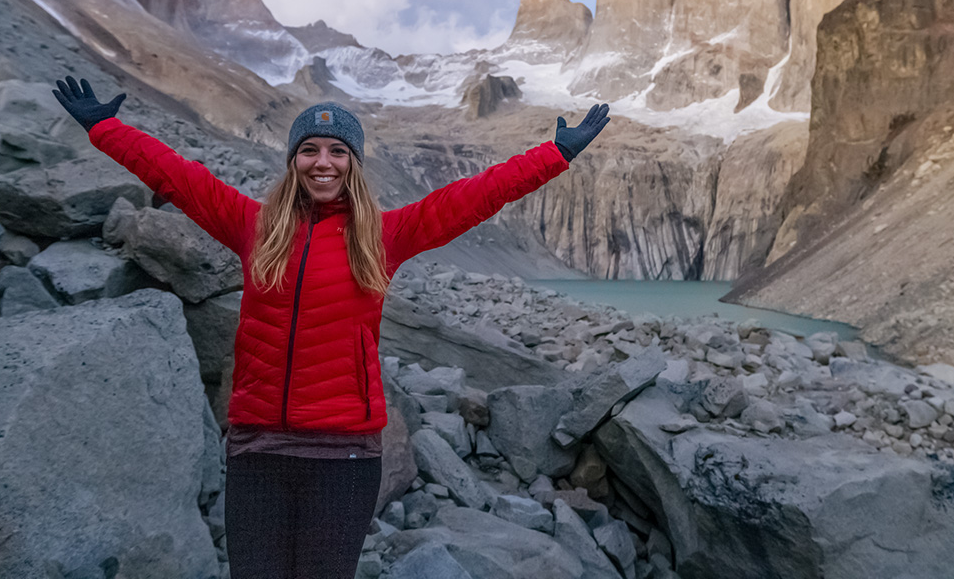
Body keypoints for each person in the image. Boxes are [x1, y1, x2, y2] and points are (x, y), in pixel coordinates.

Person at [52, 76, 609, 579]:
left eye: (338, 151)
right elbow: (177, 176)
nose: (324, 162)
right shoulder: (254, 227)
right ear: (294, 162)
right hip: (258, 446)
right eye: (310, 150)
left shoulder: (384, 236)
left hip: (344, 454)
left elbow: (476, 196)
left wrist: (555, 154)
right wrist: (104, 128)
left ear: (354, 163)